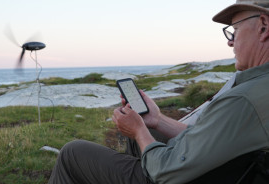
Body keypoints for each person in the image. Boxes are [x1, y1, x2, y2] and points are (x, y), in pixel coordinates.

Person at [48, 0, 269, 183]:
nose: (231, 42)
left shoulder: (245, 98)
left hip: (176, 176)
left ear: (263, 26)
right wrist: (156, 120)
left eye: (235, 30)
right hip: (225, 172)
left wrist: (138, 132)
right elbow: (212, 139)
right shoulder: (256, 87)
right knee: (148, 130)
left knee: (72, 153)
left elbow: (166, 170)